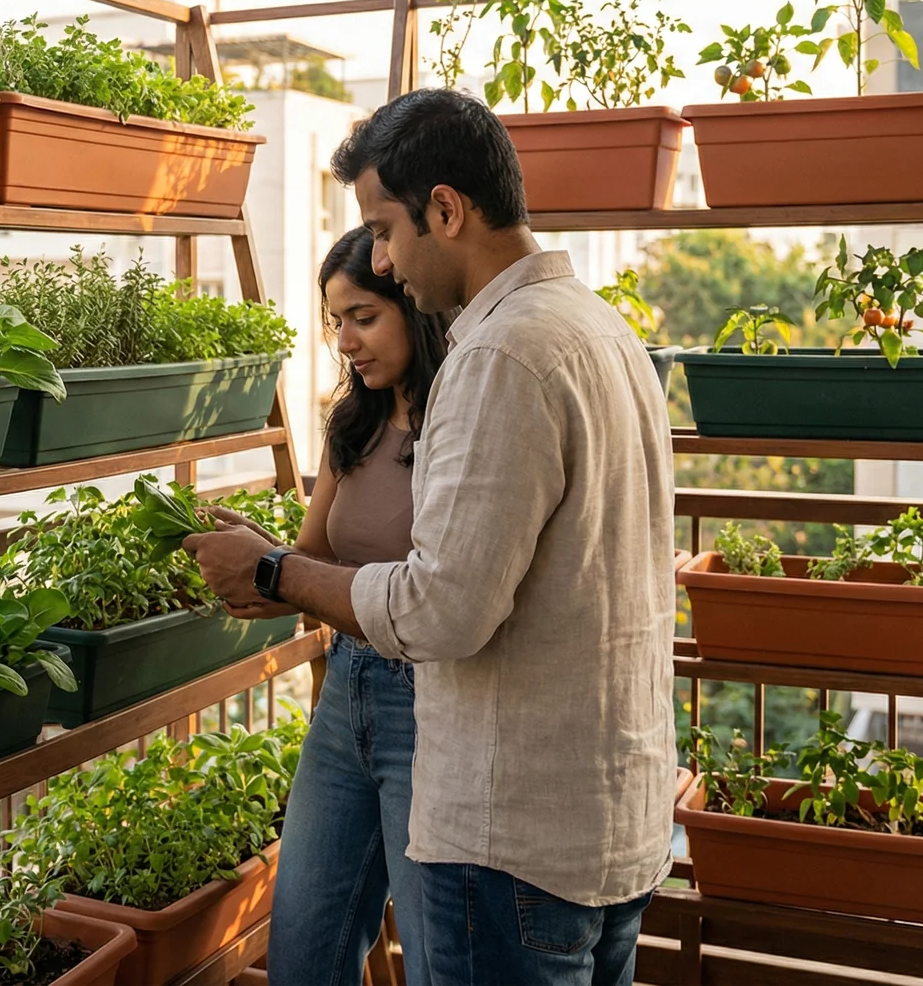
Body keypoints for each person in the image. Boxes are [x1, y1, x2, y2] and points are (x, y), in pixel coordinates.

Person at [184, 88, 675, 986]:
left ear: (445, 210)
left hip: (511, 840)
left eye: (384, 229)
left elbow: (441, 609)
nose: (380, 258)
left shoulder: (499, 357)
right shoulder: (602, 330)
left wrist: (274, 571)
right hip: (601, 823)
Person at [241, 227, 451, 986]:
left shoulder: (458, 427)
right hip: (345, 695)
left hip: (432, 706)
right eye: (336, 321)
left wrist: (277, 571)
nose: (346, 341)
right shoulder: (351, 424)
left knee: (434, 958)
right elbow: (312, 561)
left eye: (364, 316)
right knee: (303, 953)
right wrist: (250, 559)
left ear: (414, 306)